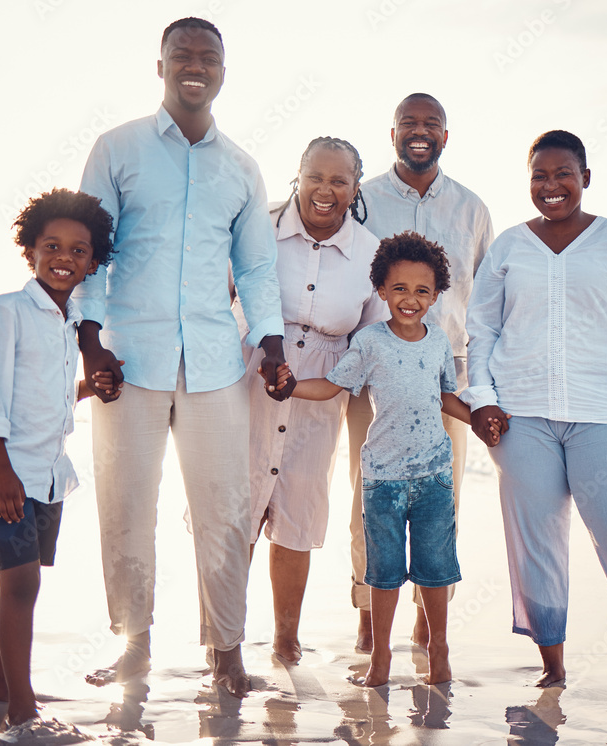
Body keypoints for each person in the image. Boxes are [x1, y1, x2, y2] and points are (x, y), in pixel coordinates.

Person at [72, 17, 290, 698]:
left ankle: (225, 650)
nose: (196, 66)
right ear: (160, 65)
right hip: (128, 360)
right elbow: (87, 251)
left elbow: (255, 268)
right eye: (183, 55)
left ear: (224, 71)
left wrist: (272, 342)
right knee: (127, 500)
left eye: (209, 57)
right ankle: (134, 642)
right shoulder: (117, 148)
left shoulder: (242, 168)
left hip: (217, 362)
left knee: (225, 505)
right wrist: (90, 341)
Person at [463, 130, 607, 703]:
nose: (551, 185)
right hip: (521, 417)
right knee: (535, 538)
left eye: (564, 173)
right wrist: (483, 397)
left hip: (606, 414)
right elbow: (482, 329)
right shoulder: (510, 248)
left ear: (585, 178)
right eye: (540, 175)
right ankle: (553, 666)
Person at [265, 233, 502, 687]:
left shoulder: (439, 342)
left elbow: (445, 395)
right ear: (380, 290)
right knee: (385, 572)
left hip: (434, 474)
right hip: (382, 479)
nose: (409, 299)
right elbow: (333, 385)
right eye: (399, 289)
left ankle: (439, 650)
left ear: (435, 295)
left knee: (435, 570)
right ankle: (380, 658)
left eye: (420, 291)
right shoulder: (370, 342)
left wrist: (478, 420)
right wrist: (292, 386)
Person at [0, 188, 116, 734]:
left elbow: (41, 396)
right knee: (23, 583)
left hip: (47, 474)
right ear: (30, 249)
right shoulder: (6, 312)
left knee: (14, 583)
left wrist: (87, 389)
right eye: (52, 245)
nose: (64, 258)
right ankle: (24, 711)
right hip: (0, 472)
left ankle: (3, 690)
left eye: (78, 250)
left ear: (93, 262)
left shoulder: (68, 324)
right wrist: (0, 472)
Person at [347, 92, 494, 651]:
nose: (419, 131)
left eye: (431, 123)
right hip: (375, 367)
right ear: (392, 134)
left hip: (445, 369)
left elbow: (485, 303)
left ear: (445, 136)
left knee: (442, 496)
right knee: (369, 492)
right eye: (409, 122)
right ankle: (367, 609)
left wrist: (481, 387)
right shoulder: (363, 200)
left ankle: (428, 623)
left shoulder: (472, 208)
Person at [238, 136, 386, 663]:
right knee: (240, 506)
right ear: (297, 176)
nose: (326, 190)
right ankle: (224, 638)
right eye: (315, 177)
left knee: (297, 510)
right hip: (251, 370)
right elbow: (225, 293)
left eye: (339, 181)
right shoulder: (259, 228)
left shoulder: (371, 252)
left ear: (355, 188)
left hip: (323, 385)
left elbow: (372, 337)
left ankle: (285, 640)